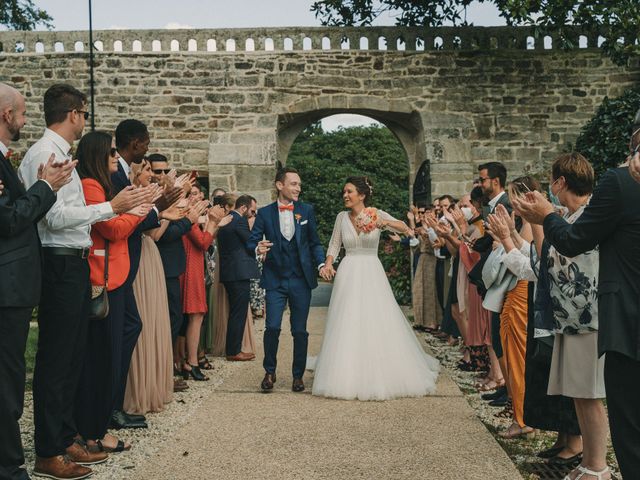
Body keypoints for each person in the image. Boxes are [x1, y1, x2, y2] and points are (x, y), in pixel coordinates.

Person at [18, 84, 146, 479]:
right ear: (74, 113)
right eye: (85, 114)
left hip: (73, 263)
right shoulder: (44, 154)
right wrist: (111, 206)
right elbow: (52, 218)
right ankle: (48, 450)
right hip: (57, 263)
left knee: (71, 357)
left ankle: (66, 435)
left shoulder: (60, 154)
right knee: (57, 359)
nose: (85, 121)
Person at [0, 83, 73, 480]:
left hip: (13, 286)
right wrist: (46, 187)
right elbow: (9, 220)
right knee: (7, 384)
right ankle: (9, 468)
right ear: (6, 114)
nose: (27, 120)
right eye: (23, 113)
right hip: (7, 288)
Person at [310, 176, 440, 400]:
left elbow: (406, 229)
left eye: (349, 191)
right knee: (346, 318)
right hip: (348, 270)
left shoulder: (376, 212)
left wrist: (384, 223)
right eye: (344, 191)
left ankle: (381, 367)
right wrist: (329, 263)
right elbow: (334, 243)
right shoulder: (341, 217)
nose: (345, 195)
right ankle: (345, 370)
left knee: (375, 317)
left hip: (371, 269)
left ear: (361, 195)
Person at [73, 131, 150, 454]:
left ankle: (96, 426)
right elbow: (113, 228)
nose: (116, 159)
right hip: (104, 279)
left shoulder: (103, 186)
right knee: (102, 359)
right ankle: (92, 431)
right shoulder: (91, 185)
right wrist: (139, 211)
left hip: (115, 276)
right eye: (111, 155)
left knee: (108, 356)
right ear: (97, 156)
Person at [247, 167, 325, 393]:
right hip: (274, 280)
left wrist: (320, 263)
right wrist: (257, 247)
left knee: (299, 330)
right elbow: (252, 241)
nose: (298, 188)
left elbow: (314, 243)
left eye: (299, 184)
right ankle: (269, 371)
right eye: (293, 184)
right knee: (272, 327)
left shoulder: (306, 211)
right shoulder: (264, 213)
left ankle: (297, 375)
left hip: (301, 280)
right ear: (280, 185)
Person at [124, 159, 179, 413]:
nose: (155, 175)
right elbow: (154, 232)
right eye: (149, 170)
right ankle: (136, 390)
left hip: (150, 256)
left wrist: (167, 206)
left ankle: (153, 384)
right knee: (142, 323)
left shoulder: (148, 194)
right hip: (141, 256)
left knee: (156, 321)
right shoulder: (131, 194)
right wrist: (165, 209)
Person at [180, 185, 228, 379]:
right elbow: (203, 242)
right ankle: (191, 362)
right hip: (190, 265)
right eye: (193, 194)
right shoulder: (187, 215)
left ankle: (187, 360)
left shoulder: (189, 214)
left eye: (199, 194)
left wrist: (212, 223)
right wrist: (214, 222)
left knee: (192, 317)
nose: (198, 197)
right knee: (196, 315)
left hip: (193, 263)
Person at [217, 194, 260, 361]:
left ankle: (232, 348)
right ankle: (234, 351)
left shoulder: (227, 219)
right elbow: (250, 242)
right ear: (243, 208)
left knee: (235, 311)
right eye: (252, 211)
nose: (252, 215)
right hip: (238, 272)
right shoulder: (240, 220)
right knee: (238, 312)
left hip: (229, 271)